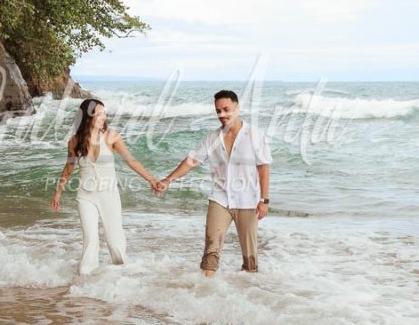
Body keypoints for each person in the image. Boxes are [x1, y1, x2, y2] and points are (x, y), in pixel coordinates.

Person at [157, 90, 271, 276]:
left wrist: (264, 199)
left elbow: (263, 167)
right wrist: (168, 179)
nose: (222, 114)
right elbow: (191, 161)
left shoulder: (255, 135)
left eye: (226, 109)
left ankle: (249, 290)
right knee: (211, 250)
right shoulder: (212, 138)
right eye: (218, 111)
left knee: (250, 259)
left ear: (237, 107)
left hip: (247, 201)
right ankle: (205, 289)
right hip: (220, 198)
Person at [51, 98, 160, 275]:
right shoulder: (74, 142)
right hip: (85, 197)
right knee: (90, 239)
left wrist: (151, 180)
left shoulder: (111, 136)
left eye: (104, 113)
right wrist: (58, 193)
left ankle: (122, 276)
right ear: (88, 117)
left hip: (109, 196)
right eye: (99, 114)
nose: (104, 117)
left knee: (114, 240)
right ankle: (86, 278)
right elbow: (68, 169)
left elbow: (131, 161)